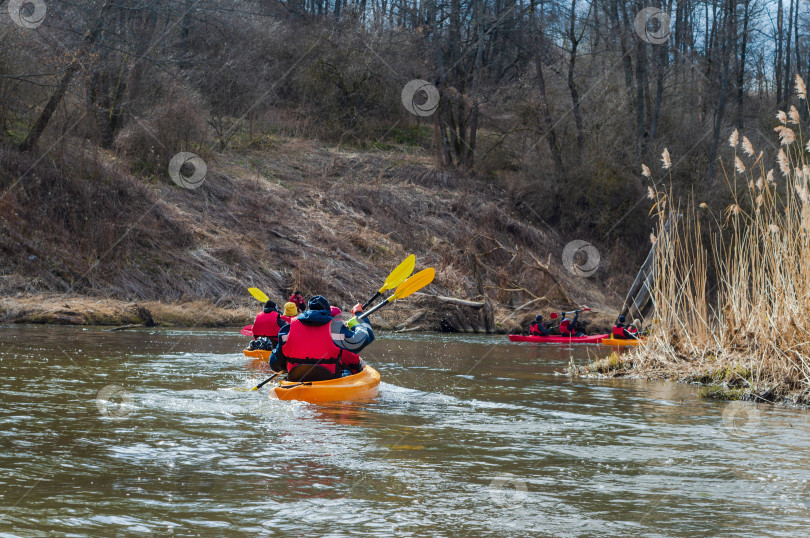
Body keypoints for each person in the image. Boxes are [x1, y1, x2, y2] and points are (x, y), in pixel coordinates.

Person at [270, 296, 373, 381]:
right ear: (327, 311)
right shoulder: (335, 329)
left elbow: (275, 364)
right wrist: (358, 318)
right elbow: (364, 338)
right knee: (346, 372)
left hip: (295, 380)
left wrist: (287, 367)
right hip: (328, 380)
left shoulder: (288, 329)